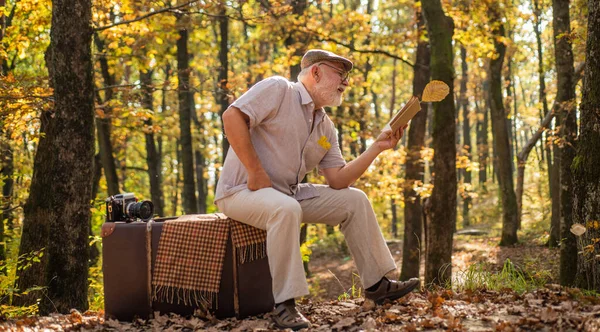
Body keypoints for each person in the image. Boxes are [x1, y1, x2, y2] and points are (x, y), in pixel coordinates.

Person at [215, 49, 419, 330]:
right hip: (240, 191)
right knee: (286, 208)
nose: (345, 82)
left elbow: (337, 180)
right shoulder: (278, 89)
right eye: (340, 74)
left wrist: (377, 147)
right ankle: (285, 305)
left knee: (354, 200)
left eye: (347, 76)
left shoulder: (325, 126)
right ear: (316, 72)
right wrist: (255, 171)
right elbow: (232, 117)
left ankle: (377, 285)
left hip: (286, 193)